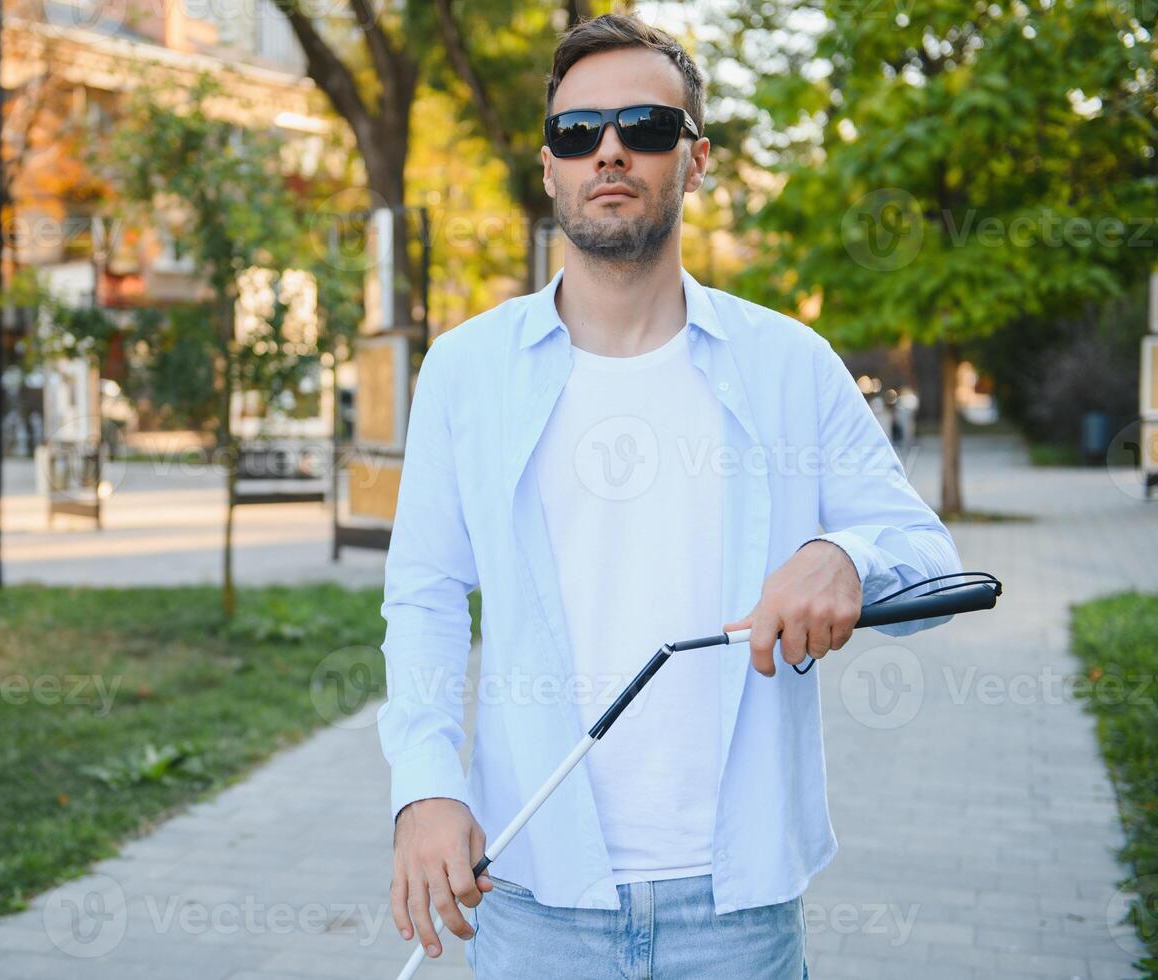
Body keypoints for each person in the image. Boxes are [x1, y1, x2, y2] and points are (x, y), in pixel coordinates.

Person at [377, 13, 962, 979]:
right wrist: (425, 788)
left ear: (694, 161)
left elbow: (928, 558)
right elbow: (426, 596)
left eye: (645, 126)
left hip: (735, 913)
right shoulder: (464, 370)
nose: (609, 150)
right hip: (528, 895)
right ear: (550, 166)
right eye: (579, 132)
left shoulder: (788, 364)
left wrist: (846, 558)